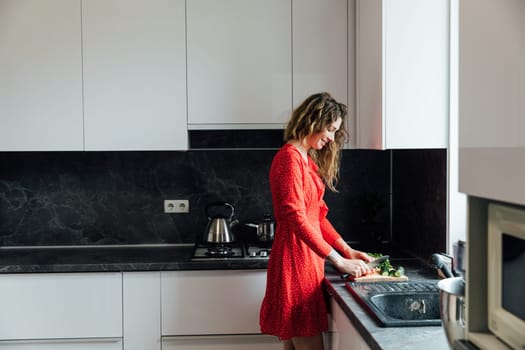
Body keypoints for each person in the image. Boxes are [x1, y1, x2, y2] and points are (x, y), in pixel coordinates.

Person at [260, 92, 374, 350]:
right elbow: (296, 219)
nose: (332, 137)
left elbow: (317, 216)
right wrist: (338, 260)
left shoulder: (305, 160)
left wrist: (347, 250)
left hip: (308, 261)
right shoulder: (289, 159)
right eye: (330, 129)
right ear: (312, 121)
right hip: (295, 261)